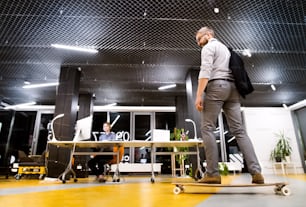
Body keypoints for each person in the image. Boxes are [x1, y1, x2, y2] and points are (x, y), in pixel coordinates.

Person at [194, 26, 264, 184]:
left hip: (216, 87)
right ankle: (256, 172)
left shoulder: (209, 47)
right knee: (239, 131)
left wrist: (199, 95)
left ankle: (212, 174)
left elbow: (205, 71)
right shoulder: (226, 49)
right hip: (233, 90)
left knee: (207, 128)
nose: (198, 43)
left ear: (209, 34)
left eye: (199, 38)